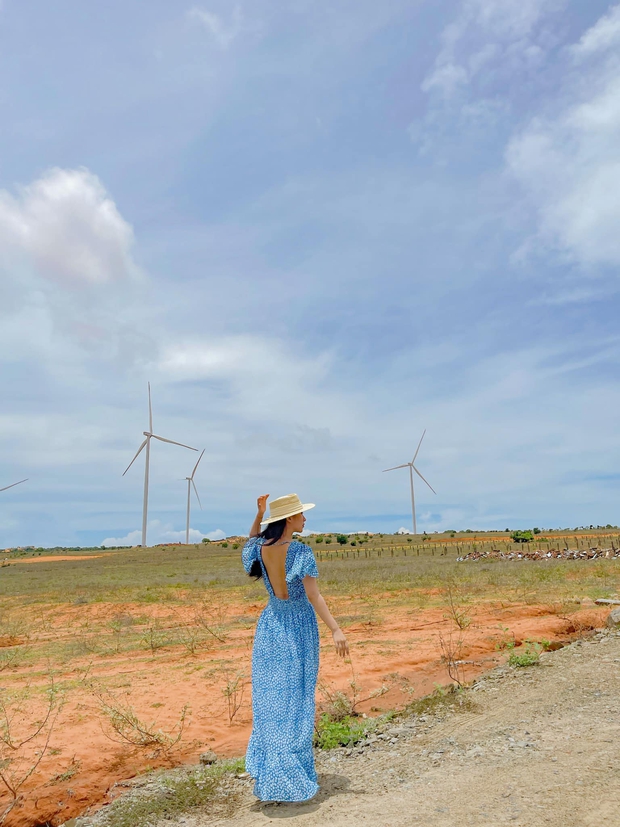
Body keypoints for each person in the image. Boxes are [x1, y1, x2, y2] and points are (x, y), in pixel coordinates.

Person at [242, 493, 349, 803]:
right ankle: (288, 777)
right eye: (301, 515)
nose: (306, 519)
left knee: (270, 702)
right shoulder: (301, 551)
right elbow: (314, 596)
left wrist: (259, 514)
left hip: (270, 626)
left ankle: (272, 772)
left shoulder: (259, 549)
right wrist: (335, 628)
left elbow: (250, 541)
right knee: (297, 700)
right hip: (298, 628)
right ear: (289, 519)